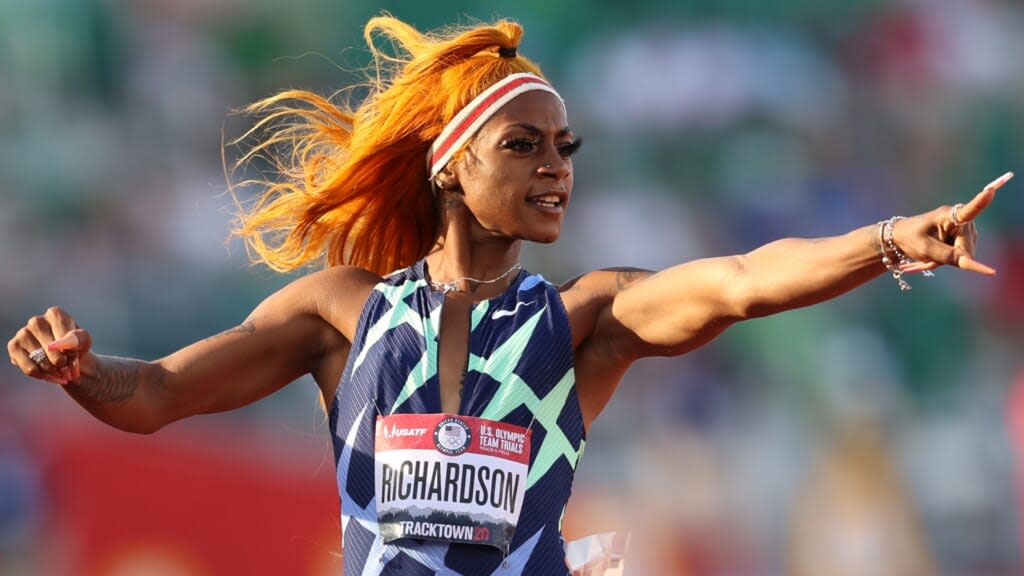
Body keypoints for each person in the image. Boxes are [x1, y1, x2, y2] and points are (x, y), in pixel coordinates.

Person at [4, 14, 1012, 576]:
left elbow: (742, 283)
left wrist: (888, 241)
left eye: (565, 149)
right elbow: (155, 397)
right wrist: (84, 373)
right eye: (523, 146)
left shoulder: (585, 319)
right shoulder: (339, 313)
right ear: (450, 166)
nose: (556, 169)